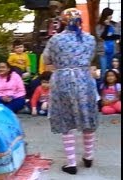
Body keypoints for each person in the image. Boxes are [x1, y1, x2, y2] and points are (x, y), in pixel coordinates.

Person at [43, 8, 98, 175]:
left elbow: (46, 59)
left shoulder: (55, 40)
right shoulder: (90, 39)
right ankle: (88, 157)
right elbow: (90, 58)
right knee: (87, 116)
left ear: (63, 21)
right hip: (84, 79)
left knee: (66, 120)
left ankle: (71, 163)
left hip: (62, 80)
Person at [96, 7, 120, 80]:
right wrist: (106, 26)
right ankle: (104, 88)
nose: (111, 16)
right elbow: (101, 37)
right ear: (106, 15)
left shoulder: (114, 24)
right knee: (104, 71)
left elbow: (118, 35)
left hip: (114, 50)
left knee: (114, 70)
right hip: (103, 52)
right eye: (110, 14)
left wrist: (108, 36)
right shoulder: (99, 25)